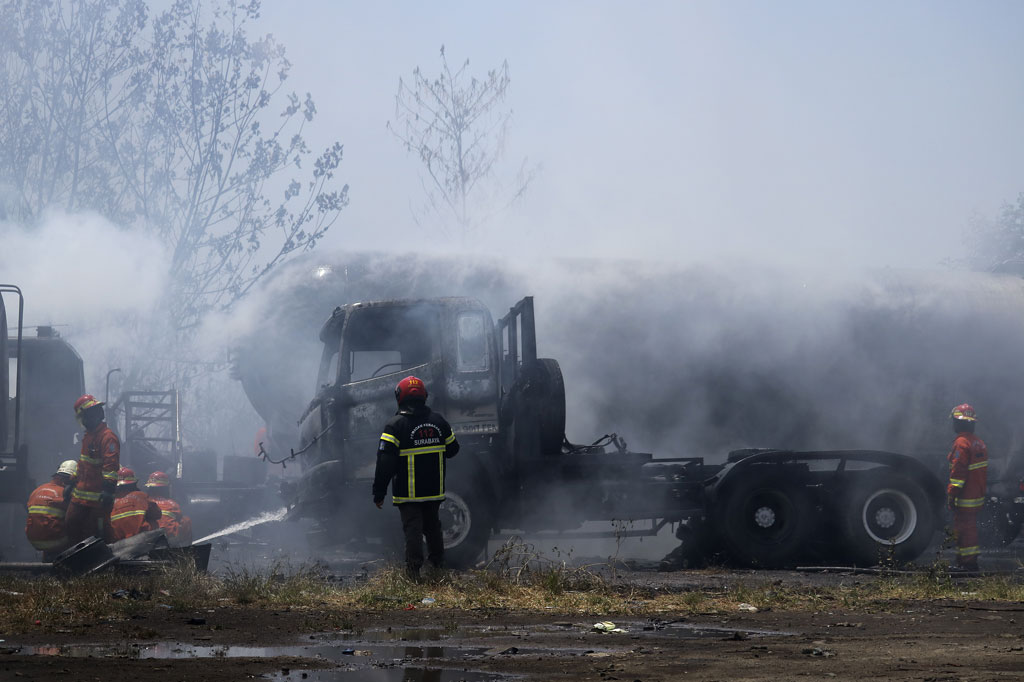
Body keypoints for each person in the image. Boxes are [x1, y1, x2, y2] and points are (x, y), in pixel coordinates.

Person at [372, 376, 459, 580]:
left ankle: (413, 574)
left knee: (413, 529)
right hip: (433, 490)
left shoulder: (395, 426)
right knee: (433, 527)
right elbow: (453, 449)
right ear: (424, 396)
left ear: (399, 398)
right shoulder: (439, 422)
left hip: (409, 493)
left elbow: (385, 463)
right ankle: (437, 569)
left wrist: (379, 491)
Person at [65, 394, 120, 544]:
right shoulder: (89, 436)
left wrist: (108, 489)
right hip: (80, 498)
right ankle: (75, 562)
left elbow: (111, 465)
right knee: (71, 526)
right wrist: (72, 481)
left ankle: (107, 562)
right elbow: (83, 464)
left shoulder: (107, 437)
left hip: (97, 499)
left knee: (99, 534)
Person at [947, 403, 988, 571]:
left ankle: (968, 564)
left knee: (964, 528)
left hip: (965, 495)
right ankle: (963, 561)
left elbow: (958, 473)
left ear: (959, 422)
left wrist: (952, 493)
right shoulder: (979, 443)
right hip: (976, 494)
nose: (953, 425)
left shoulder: (961, 443)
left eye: (955, 421)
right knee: (967, 526)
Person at [25, 460, 78, 560]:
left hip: (34, 541)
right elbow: (74, 519)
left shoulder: (37, 490)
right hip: (57, 542)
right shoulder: (66, 494)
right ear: (68, 479)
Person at [109, 467, 161, 542]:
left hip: (119, 543)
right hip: (142, 540)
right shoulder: (141, 495)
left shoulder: (112, 501)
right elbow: (157, 514)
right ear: (134, 483)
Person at [144, 471, 193, 546]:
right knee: (186, 520)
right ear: (166, 488)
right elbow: (179, 520)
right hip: (168, 540)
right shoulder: (172, 504)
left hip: (147, 540)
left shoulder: (143, 502)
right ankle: (185, 550)